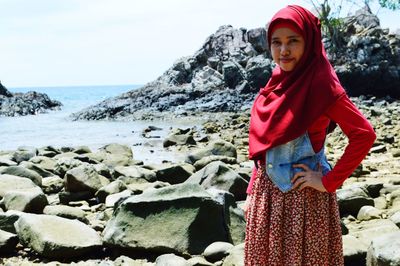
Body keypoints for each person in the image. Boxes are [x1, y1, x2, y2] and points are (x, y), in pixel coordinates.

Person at [243, 5, 376, 266]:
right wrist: (250, 193)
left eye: (293, 41)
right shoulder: (275, 84)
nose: (284, 50)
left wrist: (329, 181)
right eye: (276, 42)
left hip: (304, 202)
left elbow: (364, 135)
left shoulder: (321, 84)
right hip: (265, 197)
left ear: (309, 41)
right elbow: (264, 148)